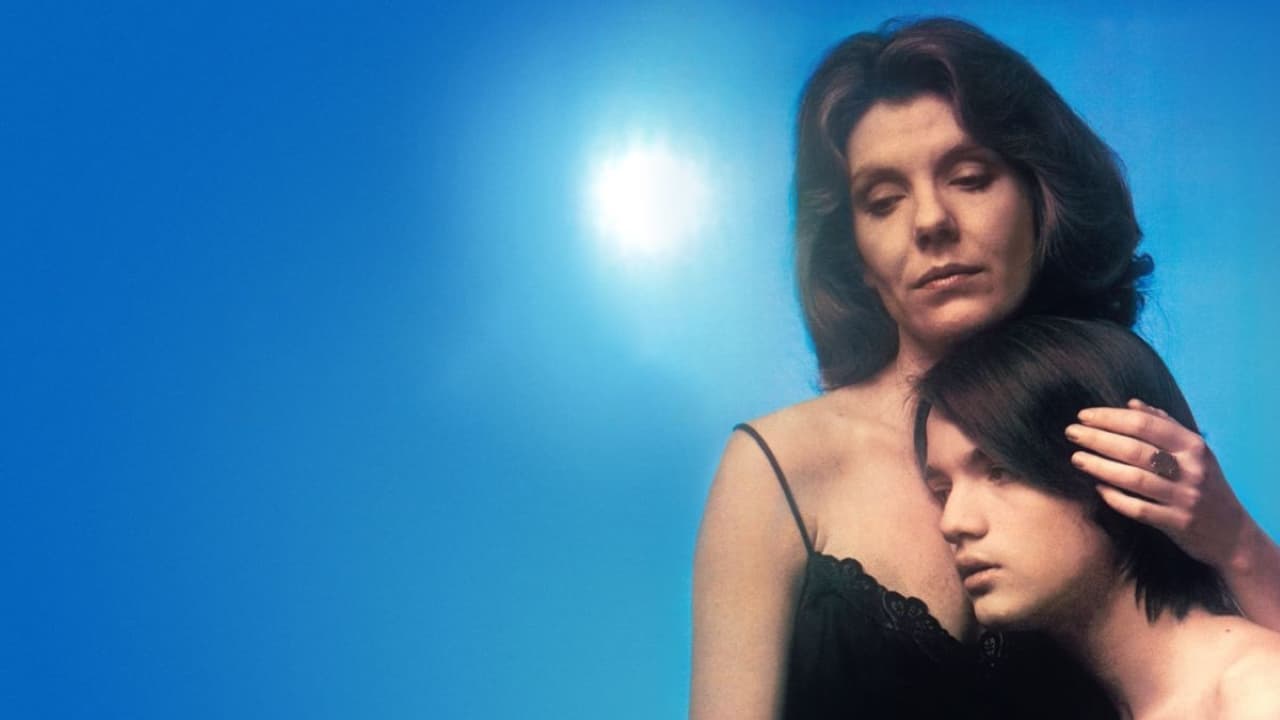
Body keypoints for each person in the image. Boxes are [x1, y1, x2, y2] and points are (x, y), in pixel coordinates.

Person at [689, 17, 1280, 719]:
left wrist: (1236, 541)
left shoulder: (1108, 411)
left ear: (1039, 199)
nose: (930, 221)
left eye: (969, 178)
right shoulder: (780, 467)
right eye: (883, 201)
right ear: (855, 258)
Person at [915, 316, 1280, 719]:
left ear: (1123, 467)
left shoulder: (1255, 696)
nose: (953, 523)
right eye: (943, 492)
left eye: (999, 471)